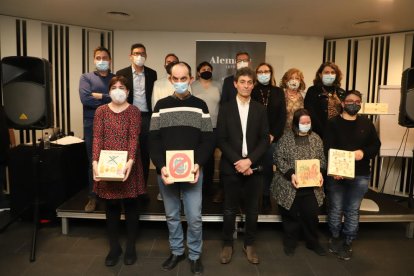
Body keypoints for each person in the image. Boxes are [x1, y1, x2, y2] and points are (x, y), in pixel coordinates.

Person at [149, 62, 214, 275]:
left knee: (194, 217)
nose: (179, 82)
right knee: (172, 215)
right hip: (167, 172)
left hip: (193, 171)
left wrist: (198, 164)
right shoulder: (160, 106)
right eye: (175, 79)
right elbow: (154, 140)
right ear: (170, 80)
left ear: (191, 79)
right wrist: (161, 167)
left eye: (183, 78)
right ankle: (177, 251)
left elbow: (207, 140)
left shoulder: (201, 106)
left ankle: (194, 254)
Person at [92, 75, 145, 266]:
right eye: (114, 87)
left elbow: (134, 138)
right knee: (111, 207)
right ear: (109, 90)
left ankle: (131, 246)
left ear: (128, 91)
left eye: (122, 87)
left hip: (128, 164)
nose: (118, 90)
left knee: (131, 206)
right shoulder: (101, 111)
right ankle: (114, 248)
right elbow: (97, 137)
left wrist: (130, 161)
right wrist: (95, 162)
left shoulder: (134, 111)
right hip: (107, 165)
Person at [217, 67, 269, 265]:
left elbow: (264, 140)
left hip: (254, 166)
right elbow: (221, 139)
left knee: (252, 209)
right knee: (229, 209)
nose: (246, 85)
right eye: (242, 82)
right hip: (231, 167)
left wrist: (249, 161)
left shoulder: (260, 109)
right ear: (235, 84)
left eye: (250, 82)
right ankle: (227, 244)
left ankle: (249, 244)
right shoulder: (226, 108)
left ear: (253, 85)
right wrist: (239, 162)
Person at [324, 90, 381, 261]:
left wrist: (363, 153)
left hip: (361, 175)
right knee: (335, 208)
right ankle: (334, 237)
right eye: (350, 101)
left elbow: (376, 145)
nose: (353, 103)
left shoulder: (367, 124)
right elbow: (328, 148)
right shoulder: (332, 123)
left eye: (357, 101)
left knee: (352, 210)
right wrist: (337, 170)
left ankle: (348, 241)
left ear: (360, 103)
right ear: (342, 103)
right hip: (337, 175)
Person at [271, 108, 326, 257]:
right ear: (296, 123)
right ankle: (290, 242)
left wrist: (320, 172)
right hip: (290, 184)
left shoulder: (316, 138)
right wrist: (290, 174)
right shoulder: (286, 139)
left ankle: (312, 242)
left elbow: (322, 158)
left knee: (311, 215)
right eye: (303, 122)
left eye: (308, 122)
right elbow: (278, 157)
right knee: (290, 216)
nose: (306, 124)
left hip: (311, 185)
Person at [116, 43, 157, 192]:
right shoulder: (121, 73)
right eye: (136, 53)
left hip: (146, 116)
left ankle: (142, 188)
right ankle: (126, 186)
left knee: (144, 153)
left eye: (142, 53)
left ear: (146, 56)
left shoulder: (152, 73)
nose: (139, 56)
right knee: (128, 152)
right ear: (130, 56)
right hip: (127, 115)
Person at [79, 46, 114, 212]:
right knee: (93, 160)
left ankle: (112, 194)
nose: (102, 60)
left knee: (112, 158)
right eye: (98, 57)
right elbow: (85, 99)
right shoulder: (86, 78)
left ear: (110, 60)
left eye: (105, 57)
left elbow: (120, 98)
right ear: (94, 60)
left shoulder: (115, 79)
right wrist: (108, 99)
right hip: (91, 123)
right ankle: (93, 196)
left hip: (113, 122)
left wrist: (100, 96)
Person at [251, 62, 286, 212]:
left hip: (272, 139)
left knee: (267, 169)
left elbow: (282, 116)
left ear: (271, 73)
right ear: (256, 74)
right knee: (253, 169)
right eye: (260, 71)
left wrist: (272, 135)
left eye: (266, 71)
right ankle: (252, 198)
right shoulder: (252, 90)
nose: (263, 74)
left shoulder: (278, 92)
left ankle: (266, 196)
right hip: (254, 139)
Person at [151, 53, 180, 201]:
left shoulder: (183, 83)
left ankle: (179, 189)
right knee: (162, 159)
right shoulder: (158, 83)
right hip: (163, 127)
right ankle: (163, 191)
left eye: (173, 62)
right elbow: (155, 105)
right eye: (168, 62)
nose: (170, 63)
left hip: (181, 126)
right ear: (164, 65)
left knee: (179, 158)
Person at [191, 61, 221, 195]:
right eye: (203, 69)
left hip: (215, 127)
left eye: (209, 69)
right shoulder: (192, 86)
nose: (206, 70)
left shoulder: (218, 85)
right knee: (201, 157)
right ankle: (198, 185)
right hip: (198, 127)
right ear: (198, 72)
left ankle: (209, 187)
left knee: (212, 159)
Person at [304, 61, 346, 138]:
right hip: (318, 133)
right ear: (320, 75)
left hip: (338, 132)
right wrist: (324, 131)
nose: (330, 75)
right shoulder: (312, 91)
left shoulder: (341, 92)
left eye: (333, 72)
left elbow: (344, 113)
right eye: (326, 72)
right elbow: (310, 113)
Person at [0, 106, 15, 209]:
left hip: (3, 147)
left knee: (1, 174)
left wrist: (13, 145)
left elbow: (9, 128)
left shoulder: (2, 109)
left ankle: (2, 200)